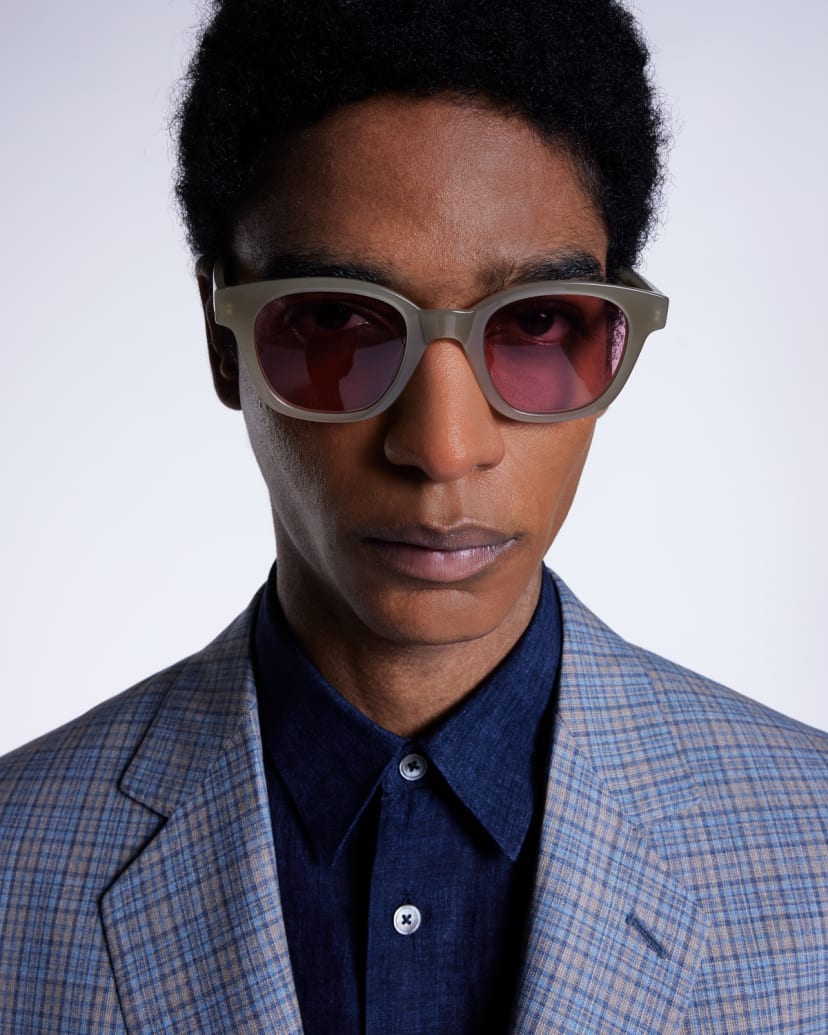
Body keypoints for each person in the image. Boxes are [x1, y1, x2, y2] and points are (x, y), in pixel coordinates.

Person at [1, 0, 826, 1032]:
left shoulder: (815, 848)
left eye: (536, 325)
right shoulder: (14, 860)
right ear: (224, 341)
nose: (441, 447)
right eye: (338, 326)